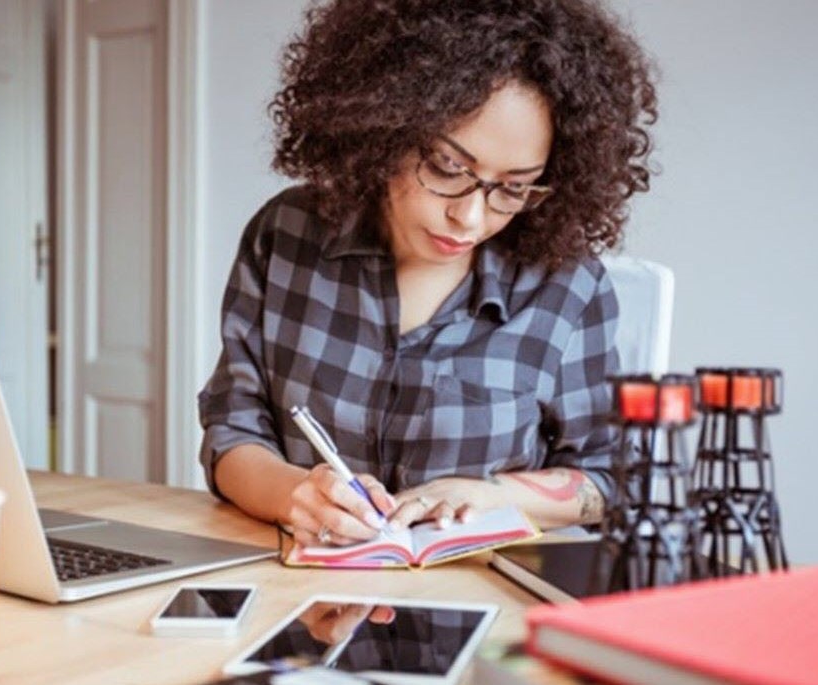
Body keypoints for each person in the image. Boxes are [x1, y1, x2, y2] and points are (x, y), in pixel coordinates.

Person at [198, 0, 658, 548]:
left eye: (513, 188)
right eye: (446, 168)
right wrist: (296, 493)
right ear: (384, 128)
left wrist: (492, 495)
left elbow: (611, 479)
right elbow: (233, 429)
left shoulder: (566, 286)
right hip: (304, 594)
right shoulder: (287, 236)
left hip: (482, 612)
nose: (469, 217)